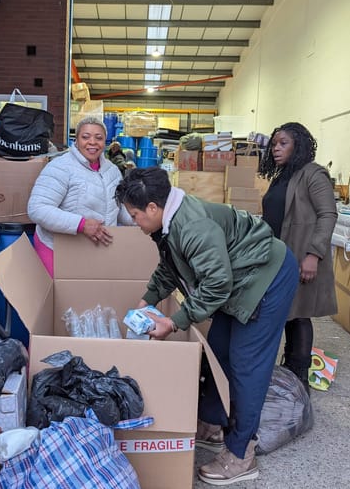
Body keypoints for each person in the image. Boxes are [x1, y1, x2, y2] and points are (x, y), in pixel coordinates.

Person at [114, 167, 299, 486]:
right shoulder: (170, 223)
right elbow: (172, 266)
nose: (134, 222)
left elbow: (216, 284)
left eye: (134, 215)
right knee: (218, 350)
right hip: (236, 278)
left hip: (267, 278)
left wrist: (173, 322)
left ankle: (242, 454)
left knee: (246, 364)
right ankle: (213, 424)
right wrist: (148, 301)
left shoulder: (193, 227)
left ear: (153, 208)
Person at [258, 122, 338, 392]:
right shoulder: (283, 175)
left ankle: (299, 376)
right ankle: (290, 371)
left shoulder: (313, 175)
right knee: (288, 313)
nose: (275, 148)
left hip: (301, 254)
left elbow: (328, 214)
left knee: (300, 314)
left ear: (298, 145)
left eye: (283, 143)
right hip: (279, 256)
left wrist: (313, 255)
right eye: (274, 143)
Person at [28, 116, 133, 277]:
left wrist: (143, 220)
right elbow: (37, 208)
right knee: (62, 299)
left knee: (91, 299)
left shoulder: (112, 171)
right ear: (76, 141)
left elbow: (119, 209)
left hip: (97, 250)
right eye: (85, 137)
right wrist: (81, 224)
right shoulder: (60, 167)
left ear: (105, 142)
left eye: (99, 138)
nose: (92, 142)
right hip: (58, 249)